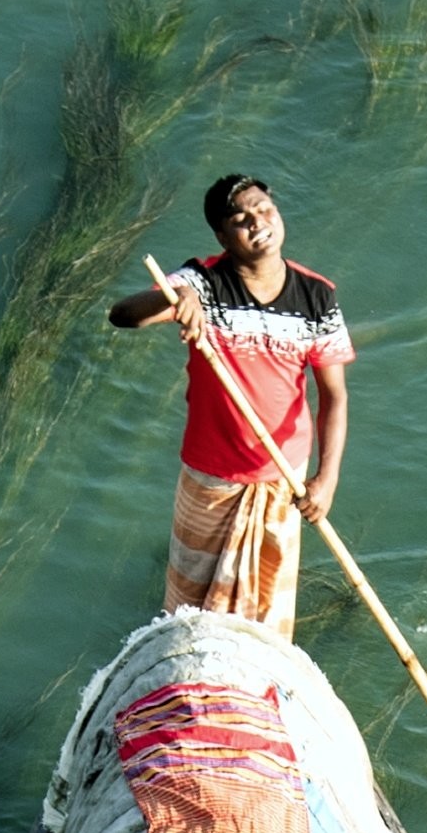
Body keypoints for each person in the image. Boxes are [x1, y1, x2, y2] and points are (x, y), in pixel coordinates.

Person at [107, 176, 348, 632]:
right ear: (222, 236)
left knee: (266, 618)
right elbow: (122, 315)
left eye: (263, 210)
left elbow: (333, 395)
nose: (257, 223)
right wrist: (177, 297)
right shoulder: (203, 281)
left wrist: (326, 478)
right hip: (210, 479)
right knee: (187, 611)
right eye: (240, 219)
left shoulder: (317, 297)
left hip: (283, 479)